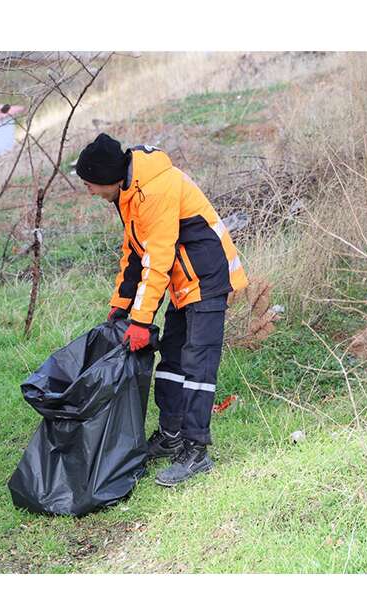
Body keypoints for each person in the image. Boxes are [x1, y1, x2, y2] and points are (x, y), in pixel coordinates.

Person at [74, 133, 248, 486]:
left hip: (207, 275)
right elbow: (134, 253)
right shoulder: (129, 191)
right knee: (170, 359)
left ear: (107, 176)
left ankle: (196, 449)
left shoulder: (155, 190)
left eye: (91, 185)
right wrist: (120, 308)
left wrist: (141, 320)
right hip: (182, 281)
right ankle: (170, 436)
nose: (90, 192)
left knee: (198, 362)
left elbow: (157, 261)